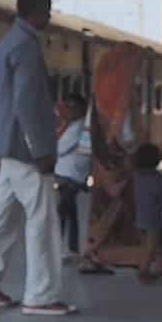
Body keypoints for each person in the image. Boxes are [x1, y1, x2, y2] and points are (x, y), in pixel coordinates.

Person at [0, 0, 76, 316]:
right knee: (42, 222)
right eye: (48, 11)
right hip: (26, 150)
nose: (50, 17)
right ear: (37, 11)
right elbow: (26, 103)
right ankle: (41, 295)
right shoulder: (27, 47)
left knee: (2, 220)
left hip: (8, 145)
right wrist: (41, 148)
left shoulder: (7, 43)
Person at [79, 42, 162, 276]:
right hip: (124, 170)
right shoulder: (122, 98)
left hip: (102, 170)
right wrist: (139, 152)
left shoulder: (99, 96)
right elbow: (126, 134)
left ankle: (94, 255)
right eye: (133, 66)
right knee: (134, 216)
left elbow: (88, 137)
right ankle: (150, 258)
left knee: (103, 216)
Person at [131, 143, 162, 284]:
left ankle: (148, 268)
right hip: (153, 220)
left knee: (145, 247)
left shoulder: (136, 176)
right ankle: (144, 272)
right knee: (150, 249)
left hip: (138, 218)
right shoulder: (157, 180)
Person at [55, 92, 91, 263]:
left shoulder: (77, 127)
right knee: (70, 212)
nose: (68, 112)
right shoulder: (76, 126)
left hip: (71, 175)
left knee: (61, 213)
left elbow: (61, 148)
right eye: (66, 108)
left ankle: (55, 248)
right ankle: (73, 248)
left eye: (73, 108)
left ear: (82, 109)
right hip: (71, 174)